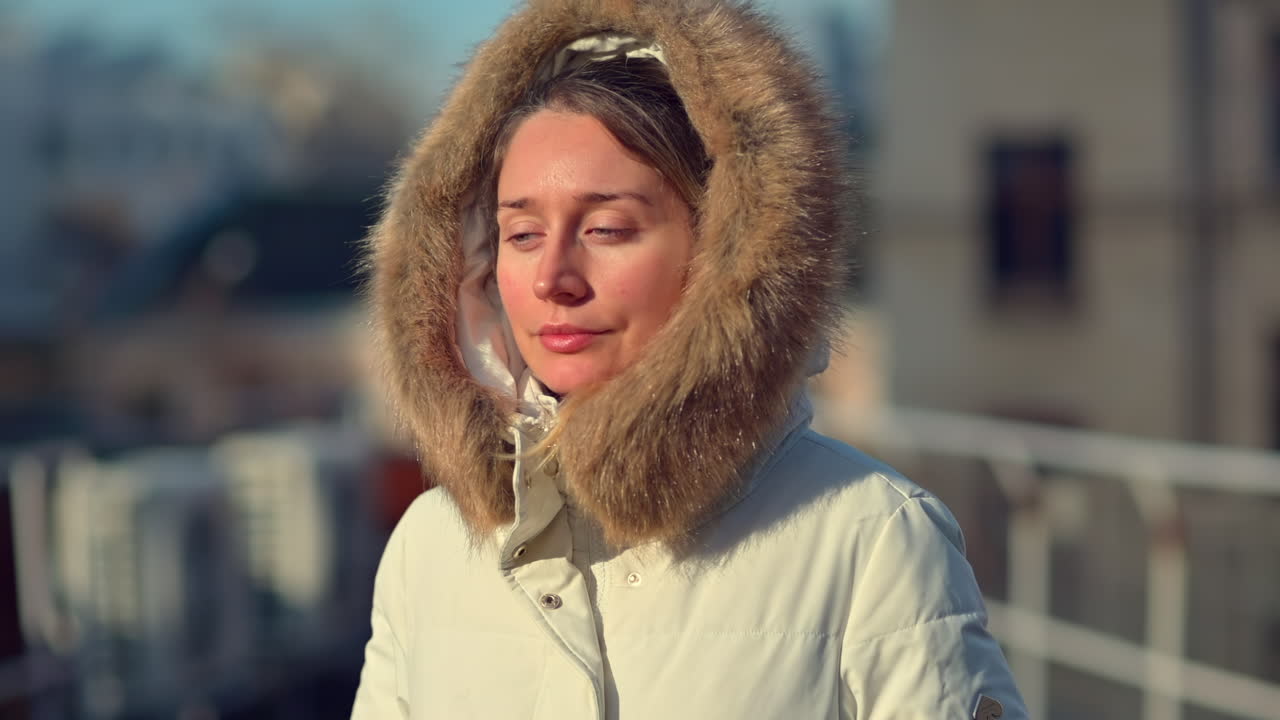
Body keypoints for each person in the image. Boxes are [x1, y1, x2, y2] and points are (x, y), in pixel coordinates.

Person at [352, 0, 1029, 718]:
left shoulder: (871, 539)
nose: (553, 277)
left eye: (608, 228)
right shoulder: (429, 547)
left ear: (725, 253)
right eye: (520, 235)